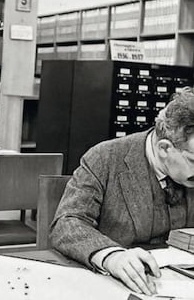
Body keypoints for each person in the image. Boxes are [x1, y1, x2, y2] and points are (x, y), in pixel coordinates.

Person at [50, 90, 194, 296]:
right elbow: (67, 223)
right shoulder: (105, 158)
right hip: (113, 286)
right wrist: (112, 257)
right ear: (164, 148)